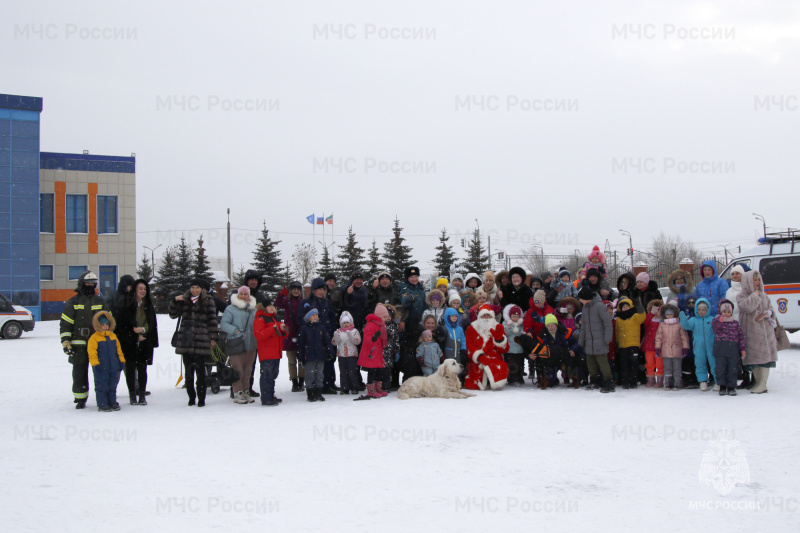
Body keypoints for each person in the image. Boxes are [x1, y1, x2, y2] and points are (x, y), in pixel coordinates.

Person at [60, 271, 108, 409]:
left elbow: (109, 321)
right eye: (87, 283)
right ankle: (80, 398)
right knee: (79, 372)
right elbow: (66, 324)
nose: (90, 286)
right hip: (78, 344)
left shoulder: (100, 301)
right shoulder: (73, 302)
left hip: (97, 344)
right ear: (81, 284)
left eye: (93, 284)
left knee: (100, 371)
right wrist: (66, 341)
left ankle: (103, 397)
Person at [169, 279, 219, 407]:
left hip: (201, 339)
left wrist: (213, 338)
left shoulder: (208, 300)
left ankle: (201, 398)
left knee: (201, 371)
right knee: (188, 372)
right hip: (186, 338)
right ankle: (191, 397)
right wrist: (175, 301)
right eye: (192, 287)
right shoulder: (184, 299)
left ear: (201, 289)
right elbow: (172, 314)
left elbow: (212, 320)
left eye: (197, 287)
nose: (194, 290)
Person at [116, 279, 159, 405]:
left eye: (145, 289)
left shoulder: (148, 305)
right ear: (135, 290)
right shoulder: (125, 304)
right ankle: (132, 395)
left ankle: (141, 395)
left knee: (142, 368)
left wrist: (143, 330)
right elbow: (121, 325)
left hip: (145, 342)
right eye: (140, 288)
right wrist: (135, 335)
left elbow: (151, 324)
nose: (142, 291)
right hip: (129, 343)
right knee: (130, 369)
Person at [736, 270, 778, 394]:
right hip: (751, 332)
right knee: (754, 358)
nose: (757, 282)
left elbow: (771, 309)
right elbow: (747, 307)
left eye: (758, 279)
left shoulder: (764, 295)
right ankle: (758, 382)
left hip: (765, 332)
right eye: (754, 280)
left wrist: (769, 313)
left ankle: (763, 384)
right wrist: (755, 295)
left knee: (765, 357)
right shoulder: (741, 296)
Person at [219, 286, 258, 404]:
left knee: (248, 370)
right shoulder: (231, 309)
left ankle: (246, 391)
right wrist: (235, 331)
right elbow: (224, 324)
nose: (243, 296)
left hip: (250, 343)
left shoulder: (253, 309)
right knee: (238, 369)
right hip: (236, 342)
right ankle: (237, 392)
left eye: (246, 294)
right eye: (241, 294)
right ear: (237, 295)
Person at [301, 278, 339, 394]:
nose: (321, 292)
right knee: (315, 364)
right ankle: (316, 387)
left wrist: (332, 331)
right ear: (313, 290)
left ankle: (329, 383)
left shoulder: (327, 302)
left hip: (327, 336)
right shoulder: (307, 303)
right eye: (319, 289)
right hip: (313, 337)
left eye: (323, 289)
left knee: (329, 360)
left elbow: (333, 318)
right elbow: (302, 319)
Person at [577, 287, 614, 393]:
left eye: (581, 298)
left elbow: (607, 323)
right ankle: (594, 381)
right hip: (589, 341)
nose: (580, 300)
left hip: (600, 340)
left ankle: (608, 382)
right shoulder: (585, 308)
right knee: (590, 362)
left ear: (586, 298)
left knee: (603, 362)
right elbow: (583, 326)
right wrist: (581, 340)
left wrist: (607, 338)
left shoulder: (599, 306)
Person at [464, 304, 509, 390]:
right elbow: (469, 346)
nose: (486, 317)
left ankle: (492, 381)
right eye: (483, 315)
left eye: (488, 315)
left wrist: (499, 340)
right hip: (477, 360)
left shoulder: (498, 328)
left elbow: (505, 349)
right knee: (472, 385)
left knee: (496, 365)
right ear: (479, 317)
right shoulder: (471, 328)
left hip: (494, 359)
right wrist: (479, 356)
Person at [87, 311, 126, 412]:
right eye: (102, 324)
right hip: (101, 367)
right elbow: (92, 353)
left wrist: (121, 361)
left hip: (113, 366)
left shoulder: (113, 337)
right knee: (102, 386)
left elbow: (119, 351)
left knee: (112, 385)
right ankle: (103, 404)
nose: (105, 327)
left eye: (106, 324)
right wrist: (95, 364)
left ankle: (112, 402)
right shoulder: (94, 338)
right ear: (98, 325)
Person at [253, 298, 288, 406]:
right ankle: (266, 398)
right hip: (267, 352)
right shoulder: (260, 319)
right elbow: (259, 335)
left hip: (275, 352)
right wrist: (275, 327)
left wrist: (284, 329)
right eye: (269, 306)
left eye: (273, 306)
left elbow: (282, 335)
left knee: (273, 375)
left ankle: (270, 395)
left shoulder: (275, 318)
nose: (272, 307)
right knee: (267, 376)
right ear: (264, 307)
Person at [297, 307, 335, 402]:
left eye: (316, 315)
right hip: (309, 356)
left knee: (319, 375)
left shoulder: (321, 327)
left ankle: (318, 392)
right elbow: (300, 344)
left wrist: (330, 351)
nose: (315, 317)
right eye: (312, 315)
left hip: (320, 356)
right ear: (308, 317)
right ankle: (310, 393)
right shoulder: (304, 329)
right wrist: (300, 356)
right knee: (309, 375)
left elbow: (327, 341)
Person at [679, 298, 716, 391]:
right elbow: (686, 326)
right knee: (700, 363)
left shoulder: (712, 320)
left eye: (703, 310)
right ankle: (702, 381)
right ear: (696, 310)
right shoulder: (694, 320)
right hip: (698, 346)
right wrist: (683, 319)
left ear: (707, 310)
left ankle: (718, 380)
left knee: (714, 363)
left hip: (711, 345)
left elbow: (718, 329)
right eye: (699, 310)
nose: (701, 312)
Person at [711, 299, 746, 396]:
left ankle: (731, 386)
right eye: (724, 312)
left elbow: (741, 337)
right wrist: (720, 322)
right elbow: (715, 330)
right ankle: (722, 386)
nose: (726, 314)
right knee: (720, 369)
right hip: (720, 349)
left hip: (733, 350)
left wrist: (742, 349)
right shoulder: (716, 321)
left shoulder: (735, 323)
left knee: (732, 369)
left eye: (728, 312)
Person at [276, 281, 305, 392]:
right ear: (291, 291)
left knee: (302, 360)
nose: (296, 291)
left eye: (298, 289)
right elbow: (278, 304)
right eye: (294, 289)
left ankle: (301, 381)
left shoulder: (303, 302)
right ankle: (294, 382)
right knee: (292, 361)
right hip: (290, 335)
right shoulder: (286, 301)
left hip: (301, 335)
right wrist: (280, 295)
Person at [398, 266, 426, 380]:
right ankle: (408, 376)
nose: (414, 279)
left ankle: (418, 374)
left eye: (416, 276)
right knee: (408, 352)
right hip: (409, 324)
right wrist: (409, 298)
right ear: (407, 278)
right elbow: (404, 304)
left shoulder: (420, 288)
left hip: (420, 324)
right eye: (411, 277)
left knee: (419, 349)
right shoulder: (404, 287)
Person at [654, 303, 689, 391]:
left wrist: (685, 347)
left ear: (674, 314)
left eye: (671, 314)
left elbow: (684, 337)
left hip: (677, 350)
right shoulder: (662, 325)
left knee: (677, 368)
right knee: (667, 368)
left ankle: (676, 384)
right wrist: (658, 348)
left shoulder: (679, 324)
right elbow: (658, 337)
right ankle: (668, 383)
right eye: (667, 314)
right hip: (666, 350)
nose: (669, 316)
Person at [614, 298, 646, 389]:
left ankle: (633, 381)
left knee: (634, 364)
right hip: (622, 345)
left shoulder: (635, 316)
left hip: (633, 344)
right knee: (624, 365)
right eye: (623, 307)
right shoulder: (619, 319)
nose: (625, 308)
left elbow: (642, 316)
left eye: (627, 306)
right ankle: (625, 381)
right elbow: (617, 332)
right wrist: (617, 343)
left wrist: (639, 305)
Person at [358, 305, 389, 398]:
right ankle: (371, 390)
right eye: (384, 317)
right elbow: (368, 340)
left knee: (379, 371)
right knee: (372, 371)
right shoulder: (371, 325)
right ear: (379, 317)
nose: (385, 319)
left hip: (378, 353)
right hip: (372, 353)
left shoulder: (381, 325)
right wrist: (375, 337)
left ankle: (378, 388)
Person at [332, 311, 362, 395]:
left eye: (347, 322)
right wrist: (336, 337)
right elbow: (334, 342)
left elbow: (357, 341)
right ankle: (344, 388)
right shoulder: (339, 332)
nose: (346, 324)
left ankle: (354, 387)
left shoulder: (354, 331)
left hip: (352, 355)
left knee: (352, 372)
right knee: (343, 373)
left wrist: (350, 335)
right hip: (342, 355)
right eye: (344, 323)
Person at [641, 299, 664, 388]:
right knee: (649, 364)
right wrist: (651, 314)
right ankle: (651, 380)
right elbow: (645, 323)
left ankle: (659, 381)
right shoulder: (649, 319)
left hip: (659, 346)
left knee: (660, 364)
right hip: (649, 346)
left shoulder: (662, 320)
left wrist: (661, 316)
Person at [503, 305, 526, 386]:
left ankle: (519, 377)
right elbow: (506, 334)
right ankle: (512, 379)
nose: (515, 318)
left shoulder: (521, 324)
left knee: (520, 364)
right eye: (513, 316)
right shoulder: (506, 323)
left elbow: (523, 331)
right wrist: (508, 327)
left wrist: (523, 333)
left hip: (519, 348)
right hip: (510, 349)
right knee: (512, 365)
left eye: (517, 316)